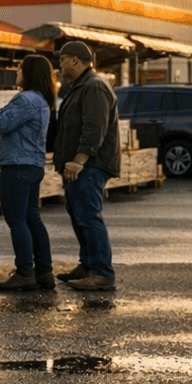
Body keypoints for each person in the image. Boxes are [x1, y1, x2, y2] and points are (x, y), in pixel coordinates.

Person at [0, 55, 57, 291]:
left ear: (29, 73)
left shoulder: (26, 99)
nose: (16, 73)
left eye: (20, 69)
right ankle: (44, 271)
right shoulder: (40, 100)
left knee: (17, 220)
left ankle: (24, 272)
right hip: (33, 166)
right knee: (32, 218)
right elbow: (3, 121)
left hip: (17, 167)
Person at [51, 40, 120, 291]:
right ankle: (88, 265)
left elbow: (94, 129)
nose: (59, 65)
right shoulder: (81, 86)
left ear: (75, 60)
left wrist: (79, 160)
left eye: (61, 60)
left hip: (90, 166)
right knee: (79, 215)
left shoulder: (94, 87)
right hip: (79, 166)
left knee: (89, 217)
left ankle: (102, 272)